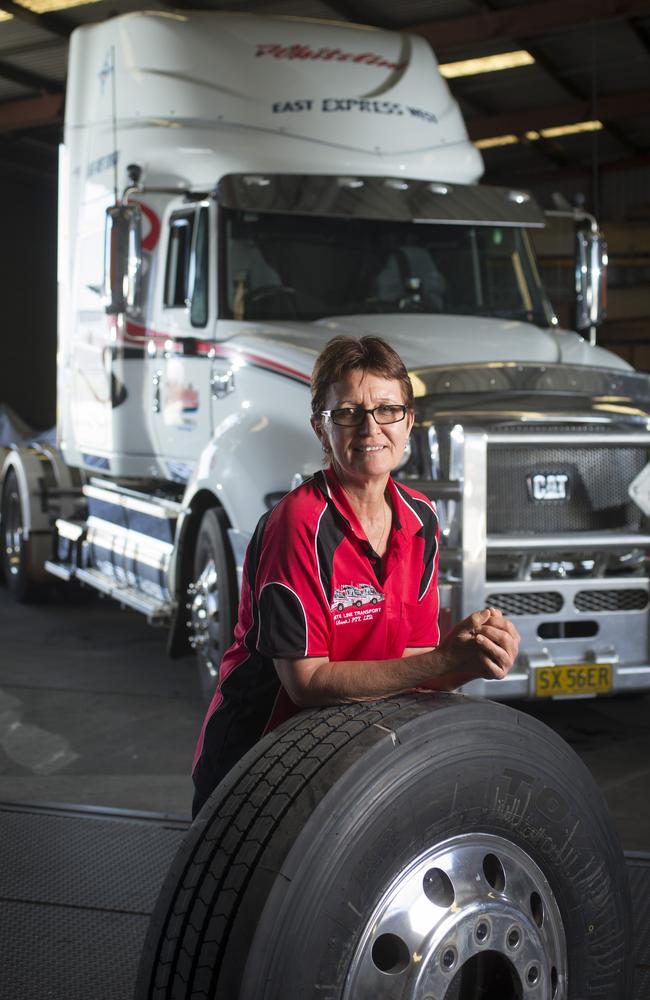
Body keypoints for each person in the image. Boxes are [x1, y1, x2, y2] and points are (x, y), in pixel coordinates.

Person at [192, 335, 519, 815]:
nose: (370, 428)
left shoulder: (421, 518)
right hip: (258, 763)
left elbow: (411, 661)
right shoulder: (298, 524)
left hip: (353, 756)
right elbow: (306, 681)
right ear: (321, 429)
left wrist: (467, 660)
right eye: (348, 412)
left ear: (409, 422)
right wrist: (441, 660)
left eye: (388, 409)